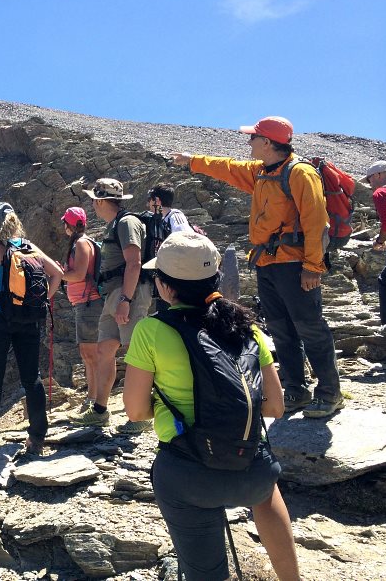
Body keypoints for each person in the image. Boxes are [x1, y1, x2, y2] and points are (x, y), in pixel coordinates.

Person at [123, 232, 301, 581]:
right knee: (266, 492)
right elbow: (275, 407)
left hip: (189, 475)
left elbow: (135, 411)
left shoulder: (151, 331)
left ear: (166, 287)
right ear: (214, 279)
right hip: (253, 470)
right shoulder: (245, 325)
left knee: (204, 569)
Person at [171, 116, 343, 418]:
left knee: (309, 327)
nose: (248, 142)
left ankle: (329, 394)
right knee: (280, 328)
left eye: (253, 137)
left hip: (294, 264)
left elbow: (317, 222)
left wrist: (313, 266)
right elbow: (227, 167)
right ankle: (295, 390)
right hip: (267, 262)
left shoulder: (300, 173)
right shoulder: (262, 172)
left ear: (267, 142)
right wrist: (193, 161)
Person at [0, 202, 62, 454]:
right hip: (29, 319)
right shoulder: (29, 247)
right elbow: (57, 273)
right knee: (31, 377)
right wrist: (43, 301)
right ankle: (36, 439)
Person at [68, 178, 152, 432]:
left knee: (136, 354)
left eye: (94, 199)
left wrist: (126, 300)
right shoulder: (114, 225)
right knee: (105, 351)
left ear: (102, 200)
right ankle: (100, 411)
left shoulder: (127, 223)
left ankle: (141, 418)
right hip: (115, 295)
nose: (92, 204)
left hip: (130, 294)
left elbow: (134, 263)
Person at [59, 206, 104, 411]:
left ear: (70, 224)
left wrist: (59, 274)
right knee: (88, 354)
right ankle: (92, 398)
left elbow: (78, 275)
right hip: (85, 303)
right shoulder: (81, 243)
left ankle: (94, 401)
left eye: (65, 223)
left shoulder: (82, 244)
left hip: (89, 303)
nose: (64, 227)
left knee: (90, 354)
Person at [148, 183, 193, 312]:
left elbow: (185, 237)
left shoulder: (175, 216)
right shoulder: (161, 219)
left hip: (178, 277)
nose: (148, 205)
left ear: (157, 200)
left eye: (150, 200)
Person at [365, 160, 386, 334]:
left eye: (369, 180)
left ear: (378, 175)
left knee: (385, 281)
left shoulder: (383, 192)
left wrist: (380, 241)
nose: (370, 185)